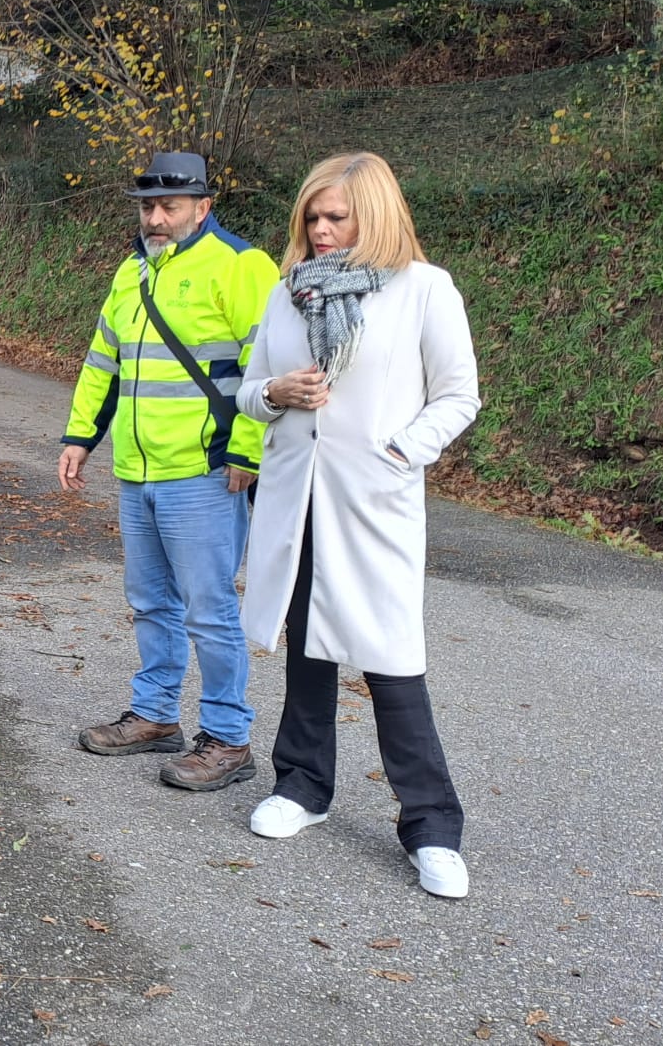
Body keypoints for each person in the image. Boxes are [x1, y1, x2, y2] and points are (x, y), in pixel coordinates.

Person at [233, 152, 481, 899]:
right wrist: (274, 392)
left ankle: (433, 825)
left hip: (372, 503)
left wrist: (399, 451)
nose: (321, 229)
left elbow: (459, 395)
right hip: (293, 499)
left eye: (336, 215)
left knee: (391, 662)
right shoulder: (286, 294)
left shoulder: (423, 290)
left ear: (373, 214)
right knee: (306, 649)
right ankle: (303, 788)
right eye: (312, 216)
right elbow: (247, 392)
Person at [61, 152, 277, 791]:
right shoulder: (131, 272)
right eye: (148, 206)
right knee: (151, 602)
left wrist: (246, 450)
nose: (156, 218)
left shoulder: (241, 266)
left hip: (205, 473)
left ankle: (229, 738)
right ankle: (156, 716)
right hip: (138, 471)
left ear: (202, 206)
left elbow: (266, 367)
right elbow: (104, 362)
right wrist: (80, 437)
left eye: (170, 207)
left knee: (209, 610)